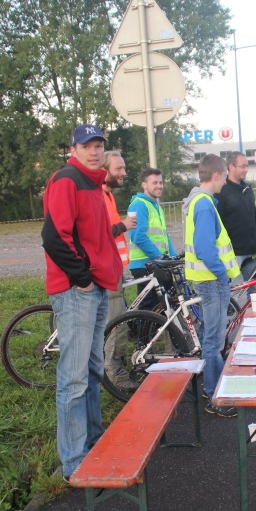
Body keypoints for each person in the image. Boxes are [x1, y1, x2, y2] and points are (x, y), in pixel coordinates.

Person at [41, 124, 122, 479]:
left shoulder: (93, 183)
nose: (94, 151)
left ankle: (92, 443)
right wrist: (83, 279)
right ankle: (73, 462)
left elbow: (95, 235)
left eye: (98, 145)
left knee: (91, 371)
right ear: (73, 149)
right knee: (73, 379)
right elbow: (53, 237)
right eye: (86, 145)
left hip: (96, 286)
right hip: (77, 290)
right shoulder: (67, 180)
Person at [183, 154, 240, 417]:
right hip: (212, 281)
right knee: (214, 339)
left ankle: (211, 387)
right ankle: (215, 395)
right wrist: (221, 274)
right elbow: (205, 248)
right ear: (216, 175)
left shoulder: (198, 201)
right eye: (224, 177)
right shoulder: (204, 204)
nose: (225, 182)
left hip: (207, 280)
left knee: (211, 335)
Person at [101, 150, 137, 384]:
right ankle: (115, 374)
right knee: (117, 324)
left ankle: (114, 366)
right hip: (106, 269)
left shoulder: (108, 195)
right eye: (118, 168)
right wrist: (123, 226)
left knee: (116, 321)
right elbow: (99, 234)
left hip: (114, 267)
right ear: (104, 171)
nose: (124, 172)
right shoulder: (98, 196)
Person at [216, 151, 256, 282]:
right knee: (233, 291)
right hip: (233, 254)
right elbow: (218, 224)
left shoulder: (247, 189)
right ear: (231, 167)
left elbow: (255, 216)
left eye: (247, 166)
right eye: (243, 166)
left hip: (252, 251)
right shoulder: (222, 191)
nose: (246, 169)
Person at [127, 168, 176, 312]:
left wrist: (173, 258)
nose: (159, 186)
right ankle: (142, 327)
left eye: (161, 182)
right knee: (149, 308)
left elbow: (164, 236)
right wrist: (160, 257)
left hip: (157, 263)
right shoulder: (140, 204)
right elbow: (138, 236)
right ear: (144, 185)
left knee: (165, 305)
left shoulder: (156, 206)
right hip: (145, 263)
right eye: (155, 183)